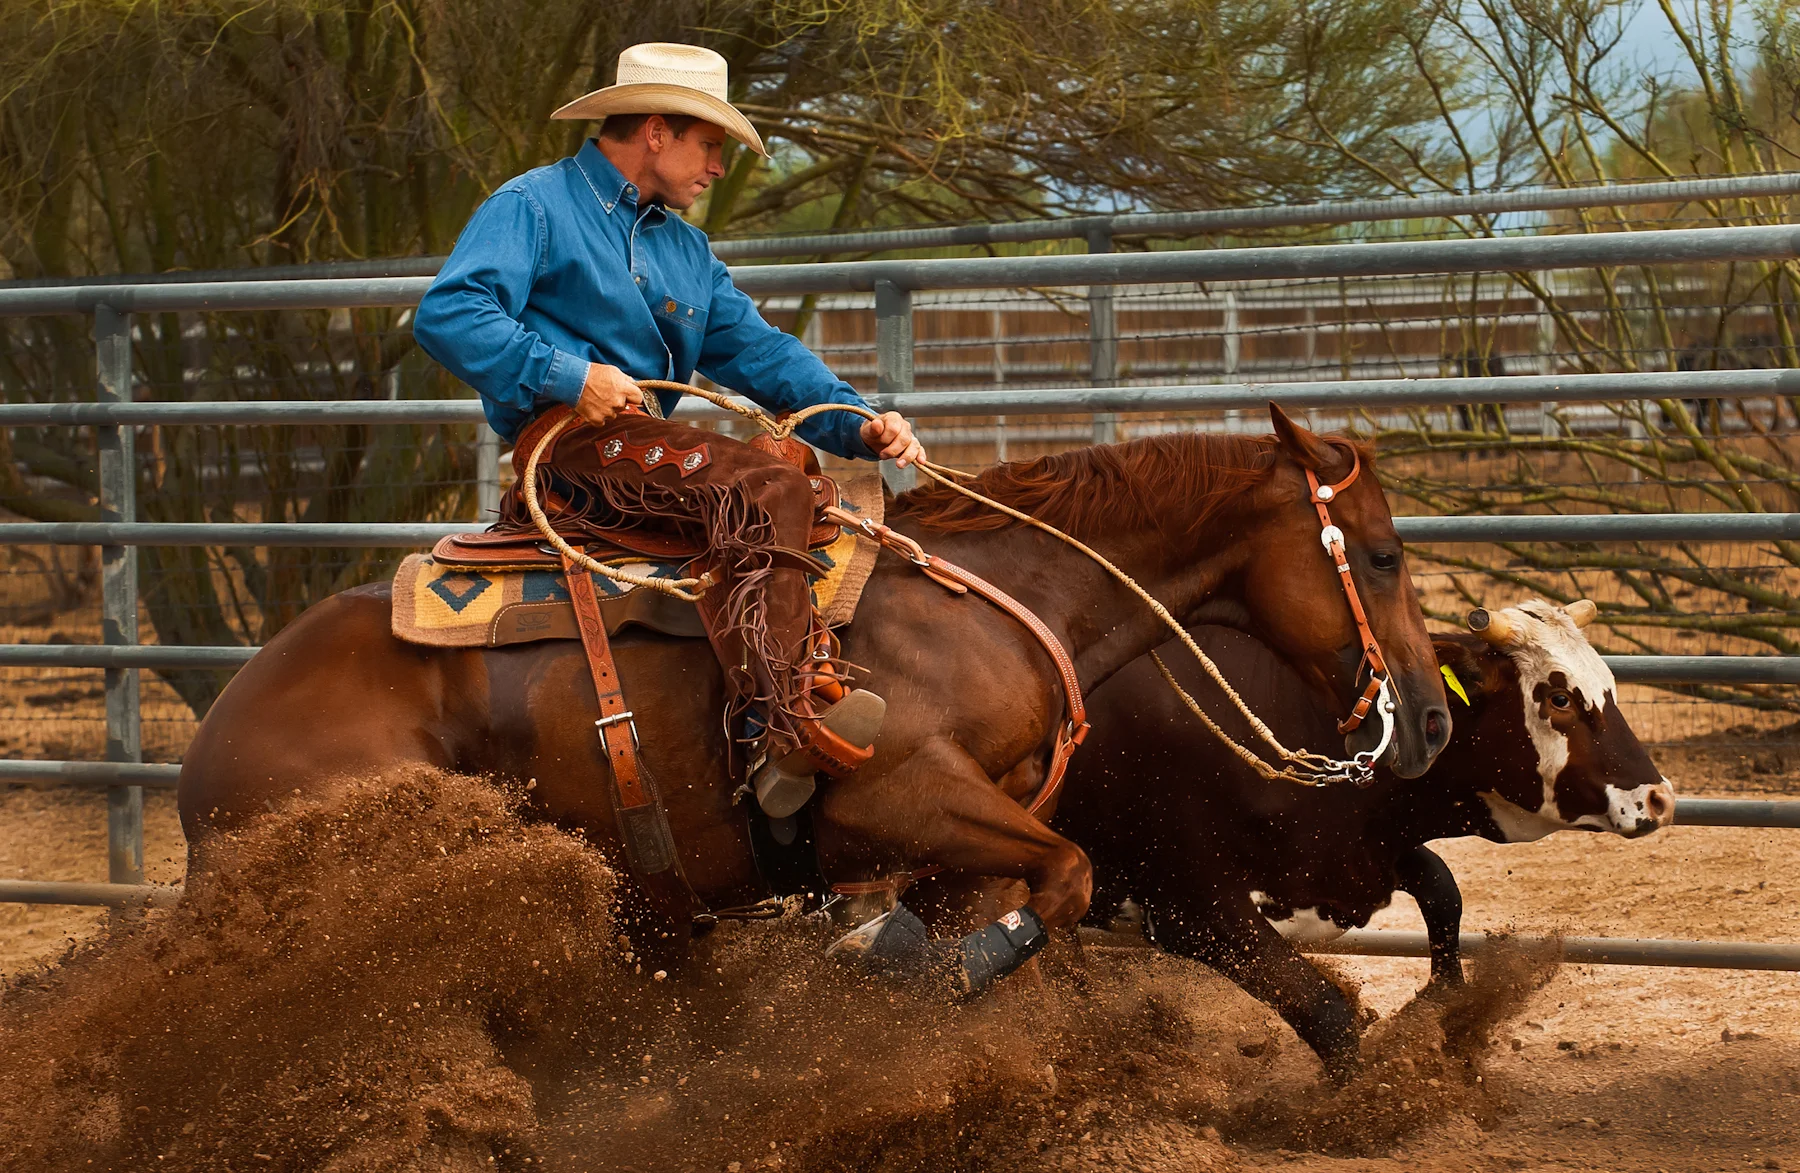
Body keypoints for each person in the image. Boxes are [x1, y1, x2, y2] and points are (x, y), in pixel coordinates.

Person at [413, 42, 924, 818]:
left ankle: (775, 696)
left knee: (791, 462)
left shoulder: (685, 249)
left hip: (638, 449)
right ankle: (781, 726)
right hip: (566, 447)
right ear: (657, 131)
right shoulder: (533, 206)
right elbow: (448, 314)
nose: (718, 167)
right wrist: (569, 376)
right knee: (767, 484)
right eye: (710, 146)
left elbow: (759, 351)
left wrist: (859, 422)